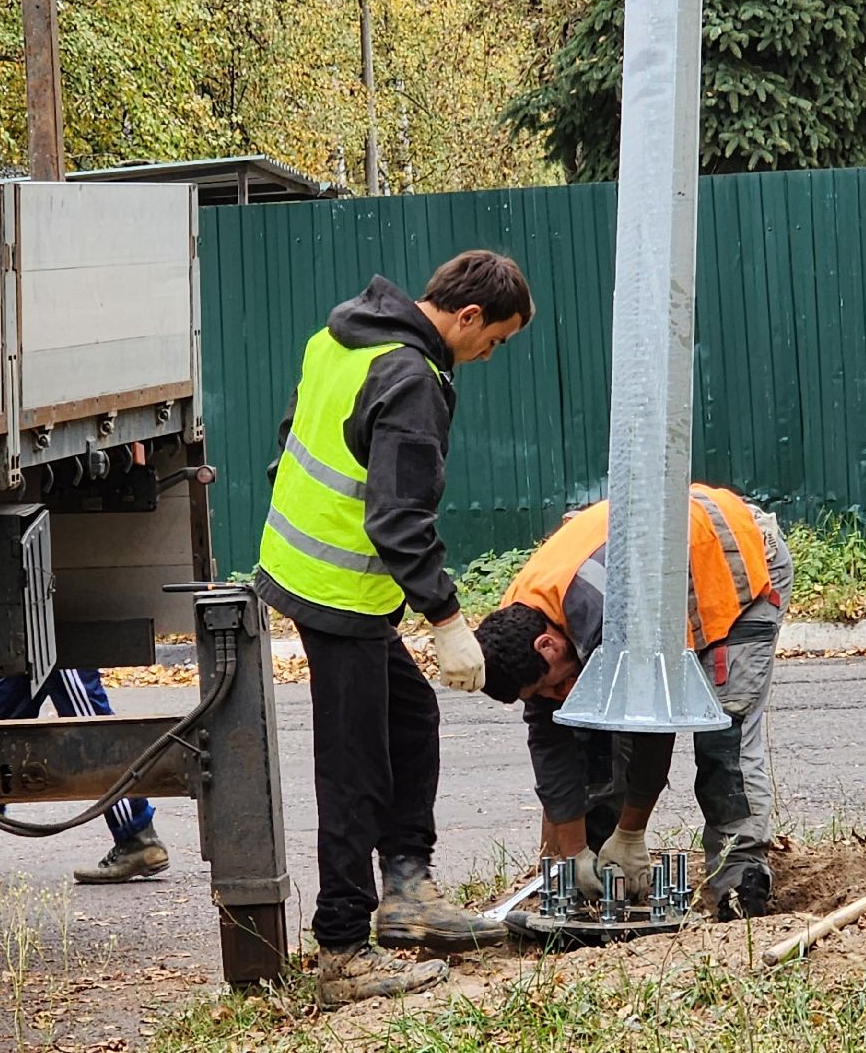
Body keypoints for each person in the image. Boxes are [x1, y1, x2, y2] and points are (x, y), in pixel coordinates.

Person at [256, 251, 533, 1007]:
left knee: (410, 719)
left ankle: (408, 890)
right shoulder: (412, 378)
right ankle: (343, 951)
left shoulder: (339, 338)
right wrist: (447, 618)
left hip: (308, 571)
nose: (489, 355)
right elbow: (398, 519)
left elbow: (290, 438)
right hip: (339, 593)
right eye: (494, 340)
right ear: (467, 315)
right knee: (355, 771)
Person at [475, 484, 792, 921]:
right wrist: (573, 851)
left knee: (723, 735)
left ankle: (739, 879)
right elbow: (550, 736)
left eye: (550, 685)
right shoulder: (518, 626)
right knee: (589, 725)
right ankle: (598, 871)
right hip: (658, 573)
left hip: (732, 559)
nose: (554, 696)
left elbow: (654, 724)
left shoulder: (611, 613)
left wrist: (632, 832)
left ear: (547, 645)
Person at [0, 667, 171, 884]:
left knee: (90, 724)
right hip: (31, 645)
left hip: (60, 646)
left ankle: (137, 837)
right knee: (7, 711)